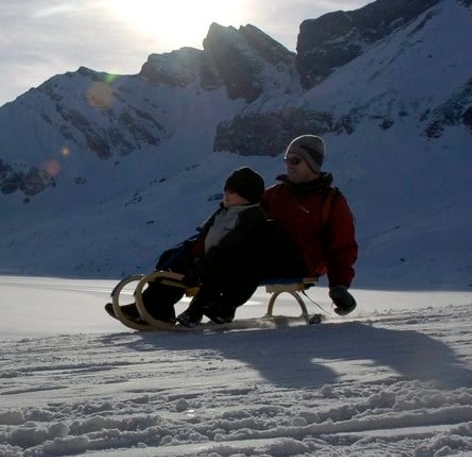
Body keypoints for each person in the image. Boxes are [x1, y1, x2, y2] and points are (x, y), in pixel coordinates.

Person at [106, 167, 270, 326]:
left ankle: (157, 309)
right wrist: (192, 252)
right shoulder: (224, 212)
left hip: (220, 265)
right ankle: (149, 307)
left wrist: (202, 263)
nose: (226, 195)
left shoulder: (251, 218)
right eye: (226, 190)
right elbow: (205, 236)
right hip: (204, 258)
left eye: (232, 192)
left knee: (180, 274)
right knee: (168, 266)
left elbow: (232, 246)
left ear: (247, 196)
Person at [260, 134, 358, 316]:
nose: (289, 165)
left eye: (295, 161)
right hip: (267, 259)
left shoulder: (331, 201)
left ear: (312, 164)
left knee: (270, 230)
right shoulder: (275, 194)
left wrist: (339, 286)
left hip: (303, 263)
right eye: (286, 160)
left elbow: (342, 248)